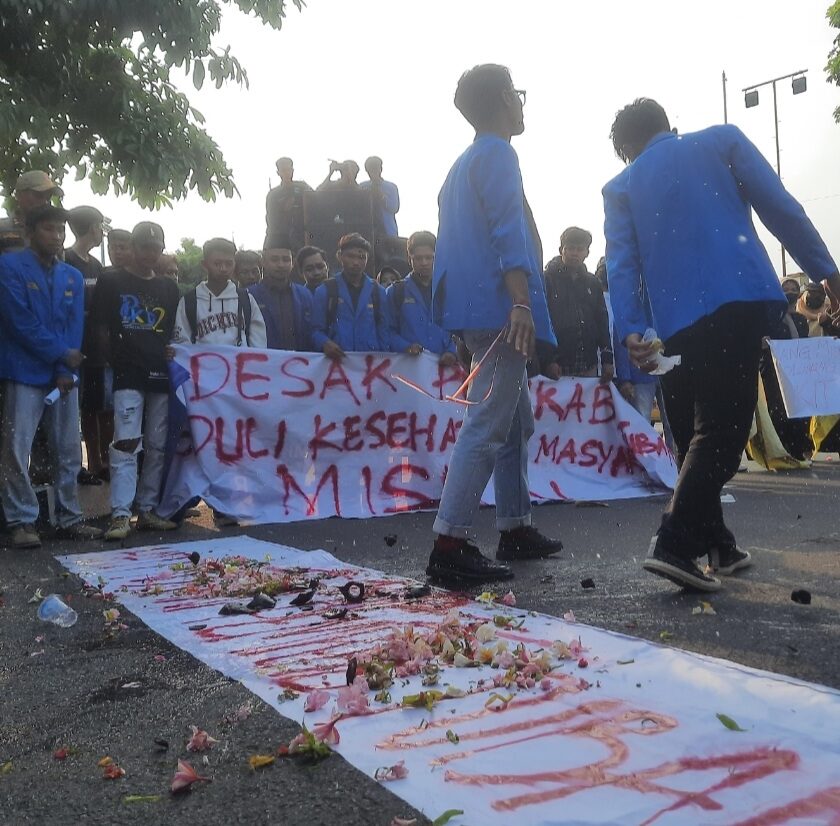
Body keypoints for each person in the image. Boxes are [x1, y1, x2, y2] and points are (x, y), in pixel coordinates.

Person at [603, 97, 840, 592]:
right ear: (668, 125)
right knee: (722, 434)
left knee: (693, 434)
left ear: (625, 149)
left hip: (671, 326)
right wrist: (827, 273)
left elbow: (623, 265)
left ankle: (718, 545)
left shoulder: (621, 186)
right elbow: (782, 209)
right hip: (737, 302)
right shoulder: (721, 140)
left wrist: (629, 327)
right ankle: (673, 542)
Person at [427, 64, 562, 583]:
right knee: (487, 422)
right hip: (503, 311)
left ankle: (514, 525)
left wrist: (457, 328)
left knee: (513, 422)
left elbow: (449, 254)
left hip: (477, 313)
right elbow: (509, 235)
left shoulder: (458, 168)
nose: (521, 104)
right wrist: (521, 305)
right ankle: (449, 540)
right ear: (506, 99)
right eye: (518, 94)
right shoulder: (500, 154)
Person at [0, 205, 103, 547]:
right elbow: (19, 322)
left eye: (61, 230)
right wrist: (62, 355)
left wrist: (64, 369)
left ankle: (69, 518)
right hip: (23, 371)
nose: (57, 236)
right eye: (49, 229)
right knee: (17, 449)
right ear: (30, 233)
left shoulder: (71, 275)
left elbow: (74, 329)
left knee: (69, 449)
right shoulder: (9, 267)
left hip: (62, 376)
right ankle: (21, 521)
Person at [95, 221, 182, 541]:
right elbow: (102, 329)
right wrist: (118, 361)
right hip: (128, 372)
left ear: (161, 250)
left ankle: (146, 510)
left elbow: (173, 331)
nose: (149, 253)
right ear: (132, 247)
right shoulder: (111, 280)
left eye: (155, 248)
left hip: (160, 372)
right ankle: (120, 514)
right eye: (144, 247)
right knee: (126, 442)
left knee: (158, 445)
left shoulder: (169, 288)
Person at [65, 206, 110, 486]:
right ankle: (81, 466)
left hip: (95, 350)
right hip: (72, 351)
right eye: (99, 226)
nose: (101, 232)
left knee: (96, 407)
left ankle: (98, 463)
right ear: (92, 227)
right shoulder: (66, 260)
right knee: (75, 411)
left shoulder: (96, 265)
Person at [542, 227, 613, 382]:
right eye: (570, 248)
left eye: (580, 249)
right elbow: (542, 321)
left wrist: (608, 359)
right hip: (557, 366)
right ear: (562, 250)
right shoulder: (547, 280)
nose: (575, 253)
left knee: (587, 407)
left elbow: (602, 321)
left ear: (587, 252)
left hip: (588, 363)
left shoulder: (593, 283)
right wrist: (549, 360)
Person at [173, 238, 267, 350]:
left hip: (239, 366)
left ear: (234, 264)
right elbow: (182, 344)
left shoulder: (246, 299)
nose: (223, 269)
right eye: (217, 264)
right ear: (204, 265)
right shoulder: (189, 301)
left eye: (229, 264)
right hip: (203, 366)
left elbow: (259, 343)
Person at [311, 233, 390, 358]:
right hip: (336, 363)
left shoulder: (377, 291)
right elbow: (315, 330)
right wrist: (324, 342)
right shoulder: (326, 290)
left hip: (370, 365)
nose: (356, 262)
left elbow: (384, 331)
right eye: (350, 256)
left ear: (367, 259)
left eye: (361, 257)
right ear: (340, 256)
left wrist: (384, 359)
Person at [388, 231, 457, 364]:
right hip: (408, 368)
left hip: (444, 370)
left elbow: (458, 330)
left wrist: (451, 352)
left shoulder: (448, 290)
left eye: (429, 257)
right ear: (409, 259)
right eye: (418, 258)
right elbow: (387, 331)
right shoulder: (396, 292)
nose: (424, 262)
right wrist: (406, 347)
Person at [249, 239, 313, 351]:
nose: (281, 265)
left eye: (286, 259)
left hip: (301, 364)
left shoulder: (305, 295)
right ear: (263, 262)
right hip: (263, 364)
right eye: (274, 259)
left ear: (293, 263)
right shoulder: (249, 296)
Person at [0, 170, 63, 255]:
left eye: (48, 197)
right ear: (18, 195)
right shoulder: (3, 228)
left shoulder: (54, 233)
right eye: (38, 195)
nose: (45, 201)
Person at [266, 157, 312, 253]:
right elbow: (271, 221)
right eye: (283, 170)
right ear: (278, 173)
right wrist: (283, 210)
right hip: (282, 239)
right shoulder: (273, 194)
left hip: (303, 236)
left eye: (289, 170)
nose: (287, 173)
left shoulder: (303, 187)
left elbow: (316, 200)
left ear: (293, 170)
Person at [360, 156, 400, 238]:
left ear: (380, 169)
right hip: (367, 230)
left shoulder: (391, 187)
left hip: (388, 231)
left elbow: (395, 207)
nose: (373, 172)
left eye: (375, 169)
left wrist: (382, 196)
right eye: (370, 170)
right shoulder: (362, 187)